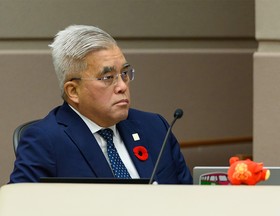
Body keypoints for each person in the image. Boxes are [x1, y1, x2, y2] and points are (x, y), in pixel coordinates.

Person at [9, 25, 192, 184]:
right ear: (73, 91)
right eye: (108, 78)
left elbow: (188, 197)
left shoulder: (155, 127)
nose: (122, 86)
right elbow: (18, 206)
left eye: (124, 73)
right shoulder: (45, 141)